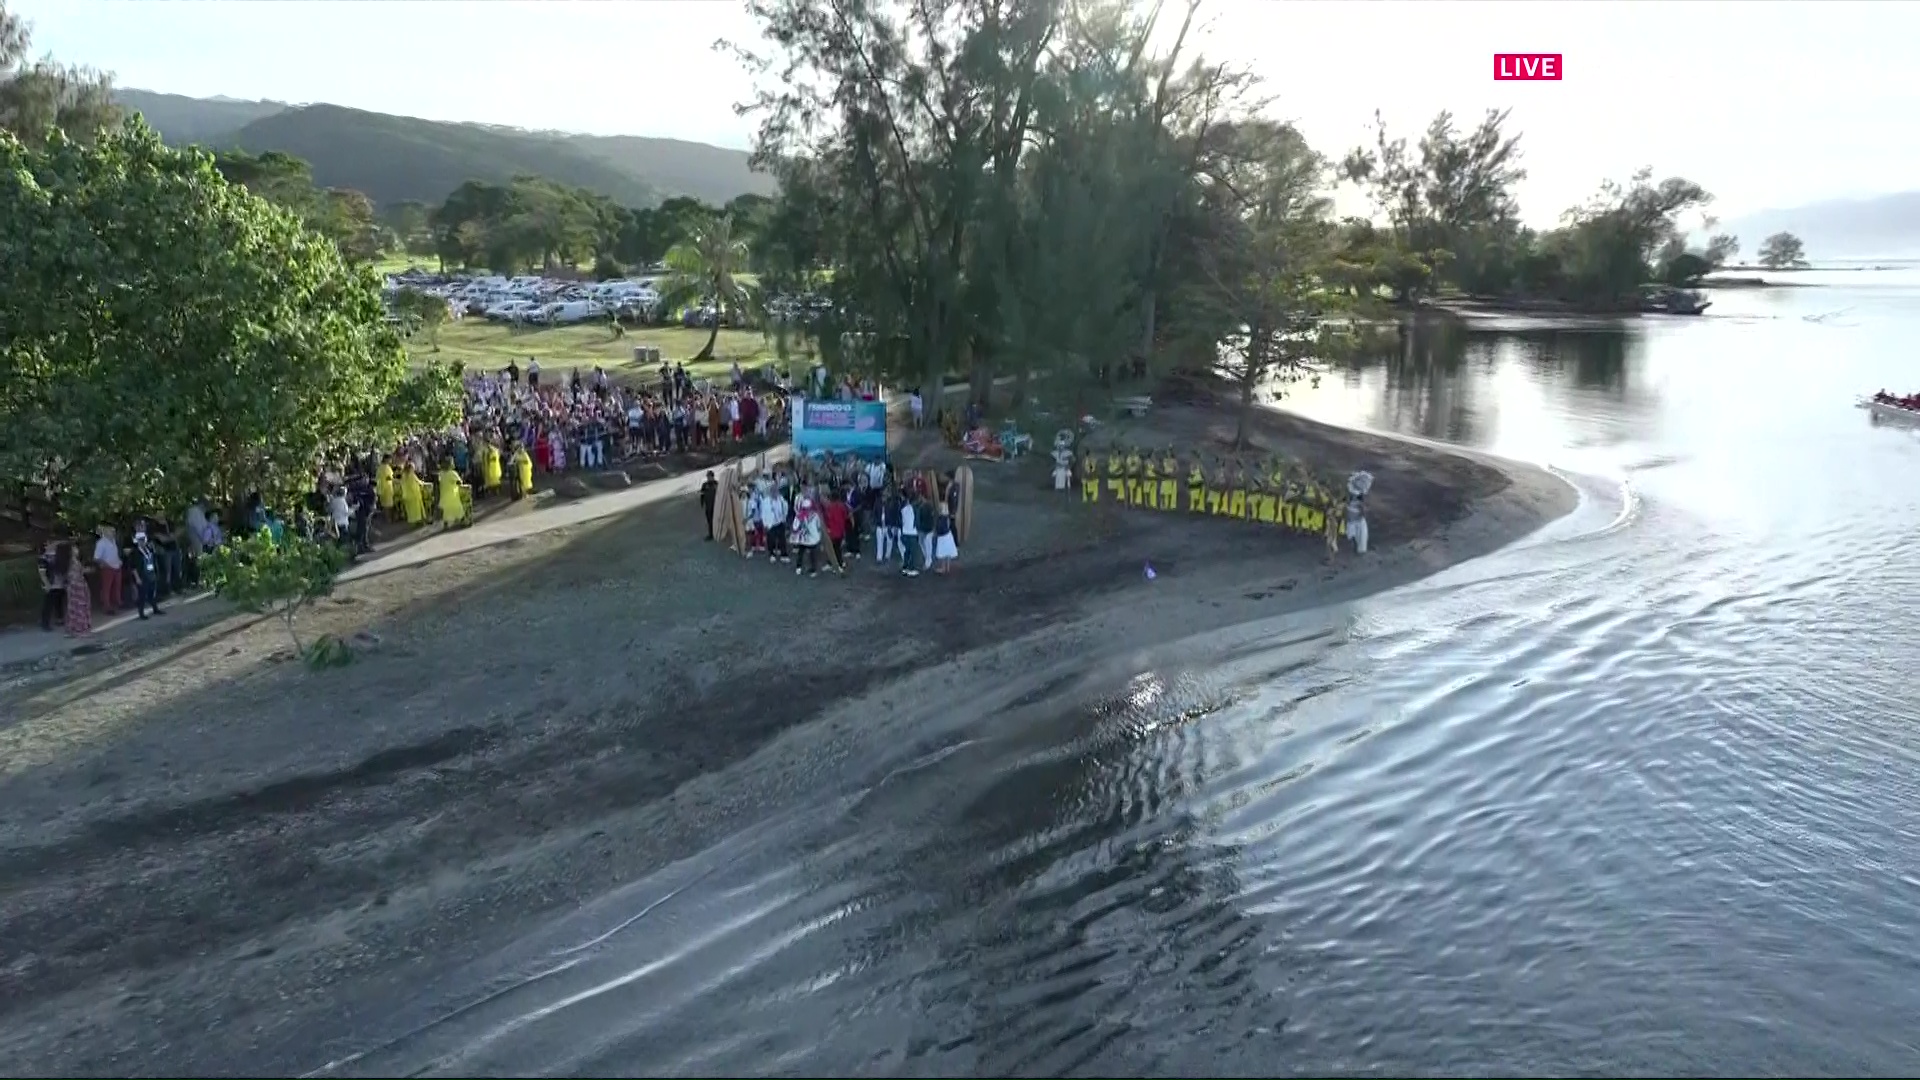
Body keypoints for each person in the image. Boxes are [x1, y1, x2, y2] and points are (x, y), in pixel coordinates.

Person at [130, 523, 163, 619]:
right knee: (142, 595)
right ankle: (141, 613)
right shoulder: (135, 552)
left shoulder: (149, 549)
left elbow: (153, 560)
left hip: (151, 573)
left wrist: (156, 572)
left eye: (143, 540)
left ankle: (155, 608)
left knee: (152, 593)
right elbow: (133, 567)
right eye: (140, 540)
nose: (142, 542)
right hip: (142, 575)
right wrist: (137, 578)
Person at [37, 540, 66, 632]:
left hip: (59, 582)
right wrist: (46, 584)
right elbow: (42, 573)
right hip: (50, 583)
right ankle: (45, 623)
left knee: (59, 601)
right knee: (48, 604)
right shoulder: (43, 558)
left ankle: (60, 618)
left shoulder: (58, 555)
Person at [92, 525, 122, 616]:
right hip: (107, 567)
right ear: (105, 532)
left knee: (116, 587)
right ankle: (107, 607)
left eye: (114, 531)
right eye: (111, 531)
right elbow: (96, 558)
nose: (113, 533)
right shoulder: (101, 543)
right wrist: (106, 564)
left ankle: (116, 603)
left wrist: (119, 561)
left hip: (117, 566)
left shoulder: (113, 541)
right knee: (107, 588)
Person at [64, 540, 92, 636]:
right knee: (79, 606)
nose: (77, 550)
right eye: (75, 548)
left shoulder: (75, 561)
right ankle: (78, 627)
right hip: (76, 585)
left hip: (77, 584)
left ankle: (77, 626)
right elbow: (73, 574)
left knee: (77, 606)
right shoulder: (71, 562)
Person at [436, 459, 466, 530]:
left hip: (444, 493)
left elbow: (439, 481)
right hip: (453, 493)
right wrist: (461, 479)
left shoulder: (441, 473)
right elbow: (459, 482)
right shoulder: (452, 473)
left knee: (446, 510)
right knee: (458, 507)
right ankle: (462, 520)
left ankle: (446, 524)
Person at [899, 489, 921, 577]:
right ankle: (912, 568)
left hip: (904, 532)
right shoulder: (915, 509)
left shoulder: (903, 509)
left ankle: (905, 567)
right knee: (913, 552)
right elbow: (917, 522)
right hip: (912, 533)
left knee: (907, 551)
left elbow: (901, 521)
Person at [400, 462, 426, 526]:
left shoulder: (403, 475)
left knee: (410, 510)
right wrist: (423, 483)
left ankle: (412, 522)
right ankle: (419, 522)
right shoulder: (411, 475)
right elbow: (417, 483)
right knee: (417, 510)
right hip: (414, 495)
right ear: (411, 468)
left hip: (406, 495)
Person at [699, 470, 719, 541]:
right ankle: (711, 534)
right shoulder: (704, 485)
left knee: (716, 520)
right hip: (708, 506)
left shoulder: (716, 484)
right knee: (709, 521)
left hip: (716, 506)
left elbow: (721, 494)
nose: (709, 478)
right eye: (708, 476)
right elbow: (702, 494)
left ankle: (718, 533)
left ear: (713, 476)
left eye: (710, 476)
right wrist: (702, 503)